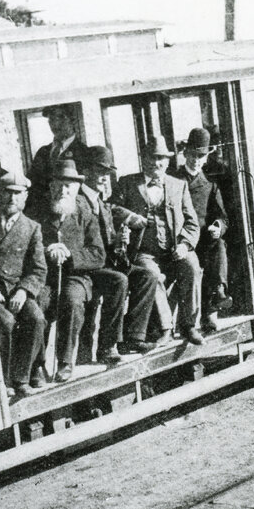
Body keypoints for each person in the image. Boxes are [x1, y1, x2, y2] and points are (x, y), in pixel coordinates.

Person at [112, 137, 204, 345]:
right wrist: (131, 217)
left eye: (162, 159)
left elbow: (192, 223)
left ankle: (189, 325)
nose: (157, 163)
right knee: (151, 274)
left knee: (191, 265)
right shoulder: (127, 183)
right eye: (152, 158)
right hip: (144, 252)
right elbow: (113, 209)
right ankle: (166, 328)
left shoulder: (178, 185)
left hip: (174, 248)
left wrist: (184, 244)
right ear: (144, 160)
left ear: (168, 162)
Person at [75, 145, 158, 359]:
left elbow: (106, 239)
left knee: (147, 276)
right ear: (86, 172)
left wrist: (119, 242)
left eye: (108, 173)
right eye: (100, 172)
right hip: (87, 269)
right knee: (118, 280)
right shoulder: (78, 203)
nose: (105, 178)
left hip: (105, 264)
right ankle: (107, 346)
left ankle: (133, 337)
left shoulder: (101, 203)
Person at [27, 160, 105, 383]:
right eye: (59, 185)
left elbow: (98, 254)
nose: (63, 190)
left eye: (68, 186)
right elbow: (25, 248)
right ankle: (36, 365)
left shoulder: (85, 213)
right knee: (37, 305)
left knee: (71, 301)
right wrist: (47, 249)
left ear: (77, 188)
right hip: (44, 277)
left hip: (77, 276)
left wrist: (70, 254)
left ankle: (65, 361)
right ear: (51, 187)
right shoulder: (36, 214)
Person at [0, 170, 49, 396]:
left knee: (37, 319)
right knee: (5, 322)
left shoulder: (31, 227)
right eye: (7, 193)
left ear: (25, 197)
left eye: (18, 194)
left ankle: (22, 378)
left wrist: (23, 291)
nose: (12, 198)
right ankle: (5, 380)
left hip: (17, 290)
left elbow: (38, 269)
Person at [173, 128, 232, 333]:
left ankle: (217, 297)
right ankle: (206, 310)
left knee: (219, 245)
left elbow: (222, 216)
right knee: (197, 261)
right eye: (193, 155)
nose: (197, 160)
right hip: (181, 242)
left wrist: (218, 226)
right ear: (185, 154)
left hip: (204, 241)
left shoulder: (210, 185)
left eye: (201, 156)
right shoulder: (173, 181)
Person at [25, 105, 88, 215]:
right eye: (51, 119)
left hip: (71, 213)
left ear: (72, 120)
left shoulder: (84, 152)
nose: (55, 124)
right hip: (42, 214)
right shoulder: (43, 152)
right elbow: (31, 184)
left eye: (61, 117)